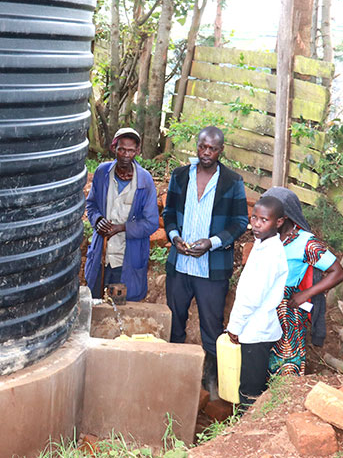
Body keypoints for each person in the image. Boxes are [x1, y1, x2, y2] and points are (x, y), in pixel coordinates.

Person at [162, 126, 249, 398]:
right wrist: (175, 237)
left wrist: (212, 242)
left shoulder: (232, 181)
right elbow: (169, 212)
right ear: (197, 146)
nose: (206, 152)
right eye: (202, 147)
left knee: (211, 326)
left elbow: (240, 222)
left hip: (212, 269)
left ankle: (211, 383)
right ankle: (174, 374)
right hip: (180, 266)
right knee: (175, 320)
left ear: (221, 150)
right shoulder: (180, 176)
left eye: (212, 148)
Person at [260, 186, 343, 376]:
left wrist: (305, 294)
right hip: (263, 304)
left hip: (286, 309)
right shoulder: (267, 235)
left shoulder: (306, 243)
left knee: (286, 363)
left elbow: (338, 272)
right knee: (259, 361)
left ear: (284, 217)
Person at [224, 195, 290, 406]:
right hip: (255, 328)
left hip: (256, 331)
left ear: (279, 222)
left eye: (264, 220)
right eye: (254, 218)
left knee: (250, 388)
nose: (257, 224)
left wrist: (235, 327)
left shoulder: (270, 254)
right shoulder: (263, 245)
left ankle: (249, 419)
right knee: (250, 379)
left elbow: (252, 297)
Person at [84, 127, 160, 301]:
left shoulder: (144, 181)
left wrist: (121, 228)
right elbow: (91, 205)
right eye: (122, 149)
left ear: (137, 151)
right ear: (114, 148)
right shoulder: (102, 173)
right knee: (96, 303)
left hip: (127, 258)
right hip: (102, 255)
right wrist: (98, 219)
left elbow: (151, 223)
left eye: (131, 150)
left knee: (122, 306)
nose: (126, 155)